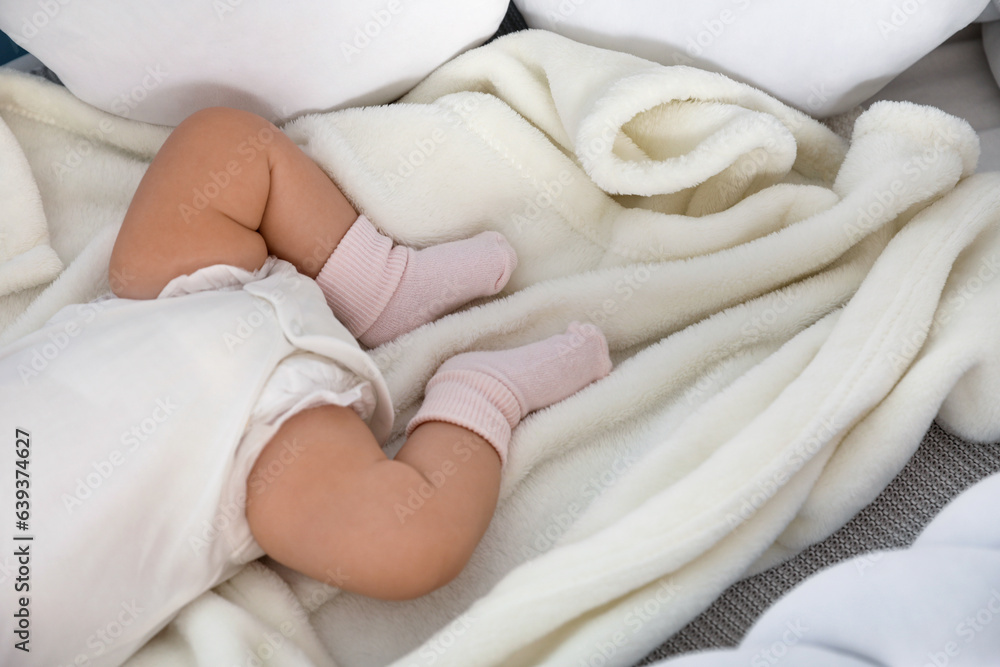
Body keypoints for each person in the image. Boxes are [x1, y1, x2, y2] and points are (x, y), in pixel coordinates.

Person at [0, 106, 612, 666]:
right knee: (407, 541)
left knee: (220, 144)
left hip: (159, 300)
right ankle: (478, 395)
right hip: (251, 455)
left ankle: (375, 285)